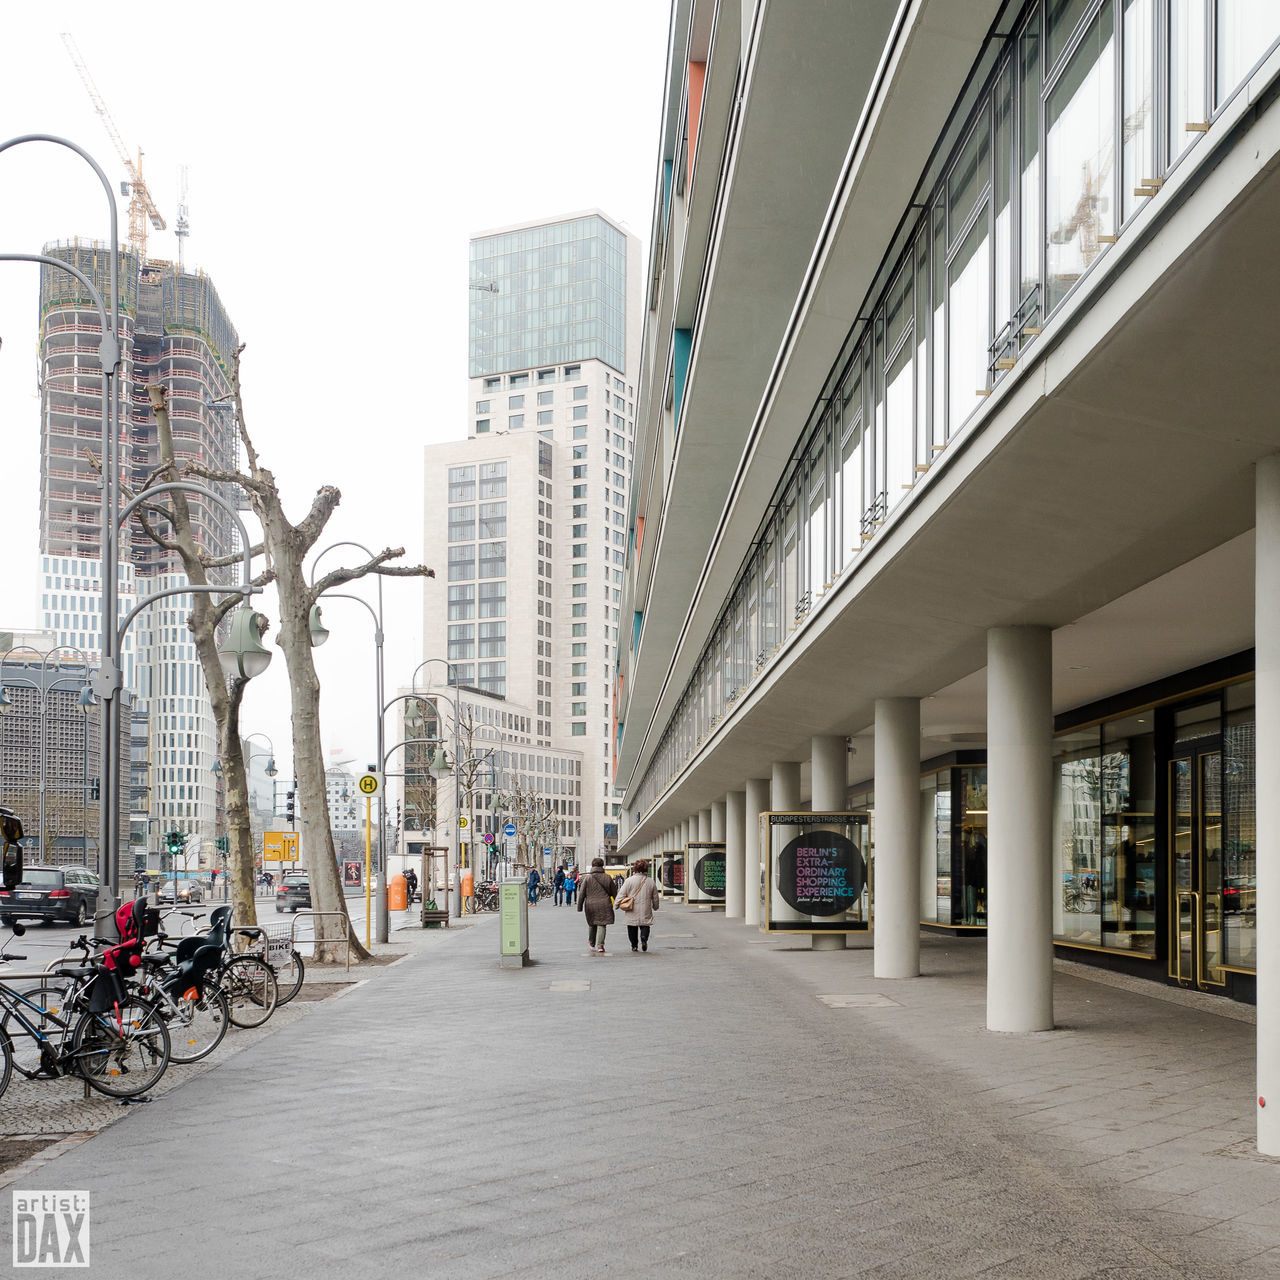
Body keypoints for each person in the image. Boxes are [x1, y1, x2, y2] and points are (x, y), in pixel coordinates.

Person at [614, 858, 661, 952]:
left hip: (632, 908)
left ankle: (634, 945)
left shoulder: (629, 881)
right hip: (645, 909)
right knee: (645, 925)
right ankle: (644, 939)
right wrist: (655, 906)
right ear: (646, 869)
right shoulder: (650, 881)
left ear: (635, 869)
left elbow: (621, 894)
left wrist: (616, 904)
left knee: (632, 927)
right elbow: (655, 897)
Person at [577, 857, 615, 953]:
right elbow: (614, 892)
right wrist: (618, 903)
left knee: (592, 923)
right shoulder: (607, 877)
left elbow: (582, 893)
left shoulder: (587, 878)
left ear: (593, 865)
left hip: (590, 904)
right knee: (602, 924)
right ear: (602, 865)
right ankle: (600, 946)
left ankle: (591, 942)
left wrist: (579, 906)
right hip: (604, 903)